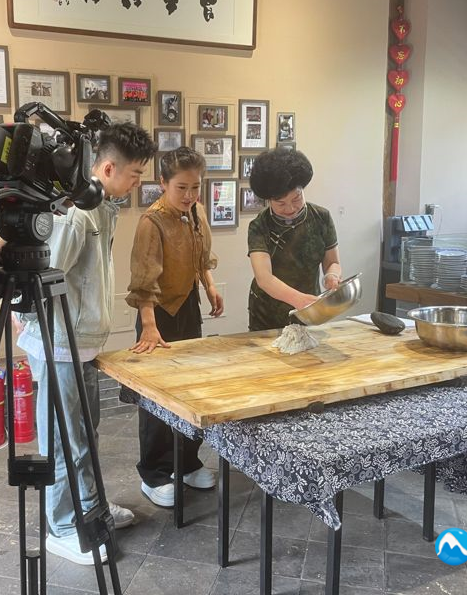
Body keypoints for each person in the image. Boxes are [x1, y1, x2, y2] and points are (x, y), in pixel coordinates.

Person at [16, 122, 157, 564]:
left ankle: (90, 508)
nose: (138, 183)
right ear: (108, 168)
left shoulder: (102, 208)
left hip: (82, 344)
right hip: (59, 344)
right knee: (63, 440)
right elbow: (41, 278)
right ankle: (61, 526)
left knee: (84, 436)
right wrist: (28, 325)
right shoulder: (76, 213)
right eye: (135, 175)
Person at [125, 146, 224, 507]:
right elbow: (144, 281)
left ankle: (187, 463)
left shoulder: (196, 212)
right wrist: (149, 327)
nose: (189, 195)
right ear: (163, 183)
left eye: (195, 187)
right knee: (156, 397)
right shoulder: (151, 222)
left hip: (188, 307)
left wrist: (210, 286)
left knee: (189, 390)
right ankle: (154, 474)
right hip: (157, 314)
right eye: (181, 187)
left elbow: (201, 258)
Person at [246, 148, 343, 331]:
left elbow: (333, 262)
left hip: (308, 310)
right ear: (269, 200)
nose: (290, 208)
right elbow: (264, 278)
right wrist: (299, 299)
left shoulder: (321, 217)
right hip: (268, 313)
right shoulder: (259, 226)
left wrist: (332, 275)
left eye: (296, 198)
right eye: (280, 203)